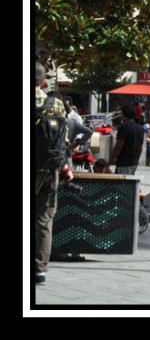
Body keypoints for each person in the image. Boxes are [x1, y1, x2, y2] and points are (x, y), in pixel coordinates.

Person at [34, 62, 74, 286]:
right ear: (42, 81)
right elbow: (63, 140)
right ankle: (39, 269)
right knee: (44, 219)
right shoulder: (56, 104)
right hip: (50, 168)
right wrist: (65, 166)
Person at [110, 105, 144, 175]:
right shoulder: (139, 128)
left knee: (121, 183)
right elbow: (140, 147)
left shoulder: (123, 128)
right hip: (134, 161)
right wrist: (136, 160)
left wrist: (109, 162)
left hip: (123, 161)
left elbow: (118, 147)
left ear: (124, 114)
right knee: (130, 182)